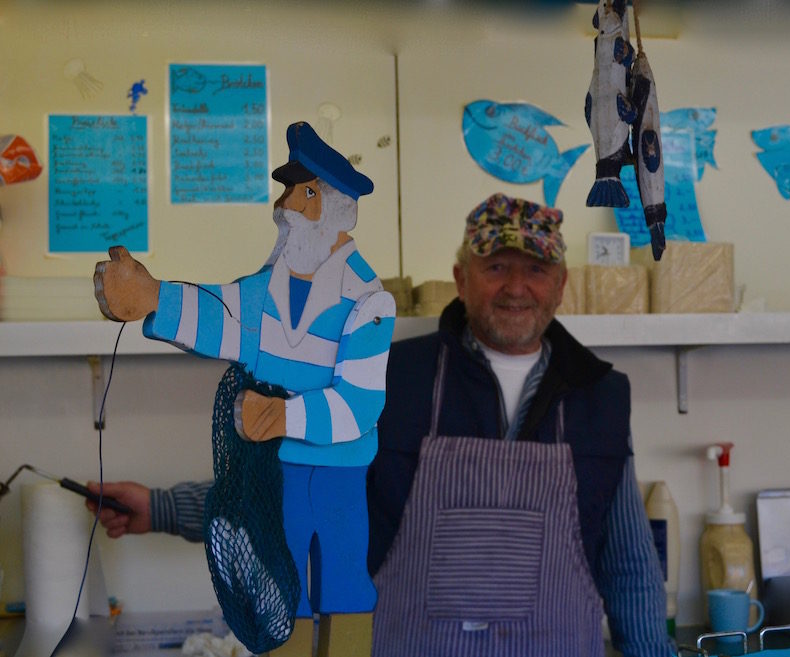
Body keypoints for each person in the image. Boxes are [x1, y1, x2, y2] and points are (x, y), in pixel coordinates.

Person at [91, 193, 677, 657]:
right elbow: (295, 488)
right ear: (461, 276)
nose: (516, 287)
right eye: (496, 266)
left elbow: (628, 562)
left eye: (536, 268)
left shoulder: (600, 396)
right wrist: (164, 508)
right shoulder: (394, 376)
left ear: (561, 282)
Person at [92, 121, 395, 628]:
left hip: (338, 474)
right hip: (273, 470)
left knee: (341, 578)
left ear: (336, 206)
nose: (286, 207)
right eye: (289, 192)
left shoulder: (368, 299)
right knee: (283, 583)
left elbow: (360, 406)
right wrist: (153, 299)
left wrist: (284, 415)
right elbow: (221, 315)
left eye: (304, 193)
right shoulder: (264, 289)